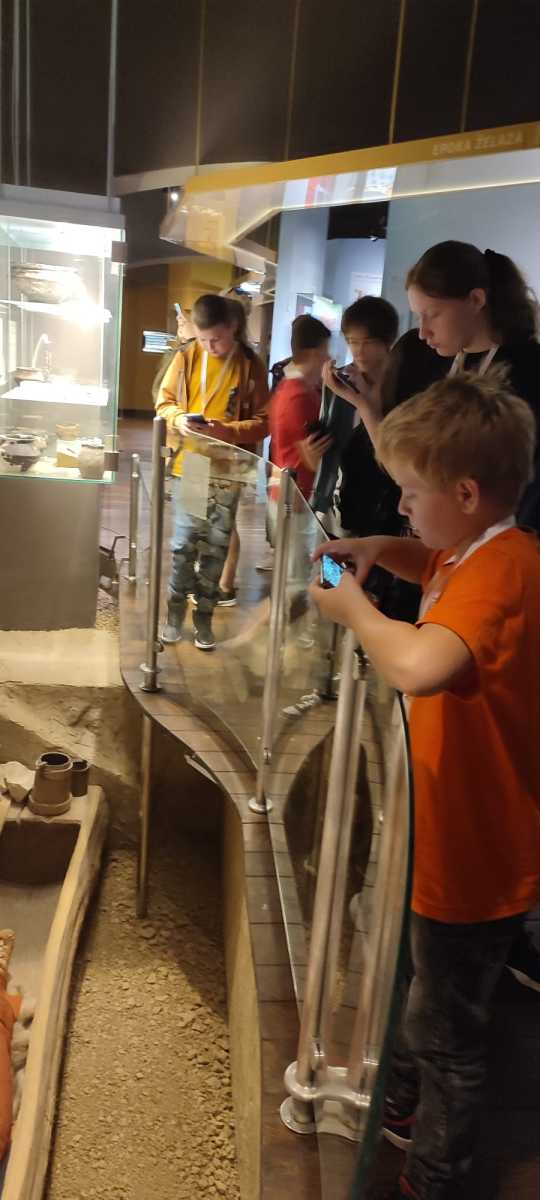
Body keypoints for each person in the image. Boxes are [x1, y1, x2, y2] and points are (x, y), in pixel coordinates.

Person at [310, 371, 540, 1199]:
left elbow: (417, 664)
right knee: (426, 994)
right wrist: (382, 549)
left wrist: (358, 613)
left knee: (448, 1031)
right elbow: (436, 559)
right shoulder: (481, 548)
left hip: (476, 848)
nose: (401, 505)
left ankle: (434, 1177)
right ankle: (405, 1105)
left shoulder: (505, 571)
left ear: (466, 493)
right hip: (444, 828)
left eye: (410, 493)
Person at [326, 240, 540, 534]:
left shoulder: (527, 371)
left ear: (476, 300)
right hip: (414, 538)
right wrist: (365, 404)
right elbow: (399, 467)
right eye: (419, 316)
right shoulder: (418, 356)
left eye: (433, 314)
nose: (424, 331)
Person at [156, 292, 269, 650]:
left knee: (216, 549)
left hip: (231, 467)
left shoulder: (250, 364)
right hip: (192, 463)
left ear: (233, 326)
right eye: (203, 339)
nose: (210, 347)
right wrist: (179, 419)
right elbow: (163, 402)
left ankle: (204, 618)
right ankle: (174, 615)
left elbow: (264, 421)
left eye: (216, 339)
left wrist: (228, 431)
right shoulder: (188, 356)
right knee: (183, 545)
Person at [315, 295, 399, 536]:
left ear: (387, 341)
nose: (358, 351)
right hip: (339, 506)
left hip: (385, 509)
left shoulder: (399, 386)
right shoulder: (339, 381)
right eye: (352, 341)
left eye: (368, 342)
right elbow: (330, 444)